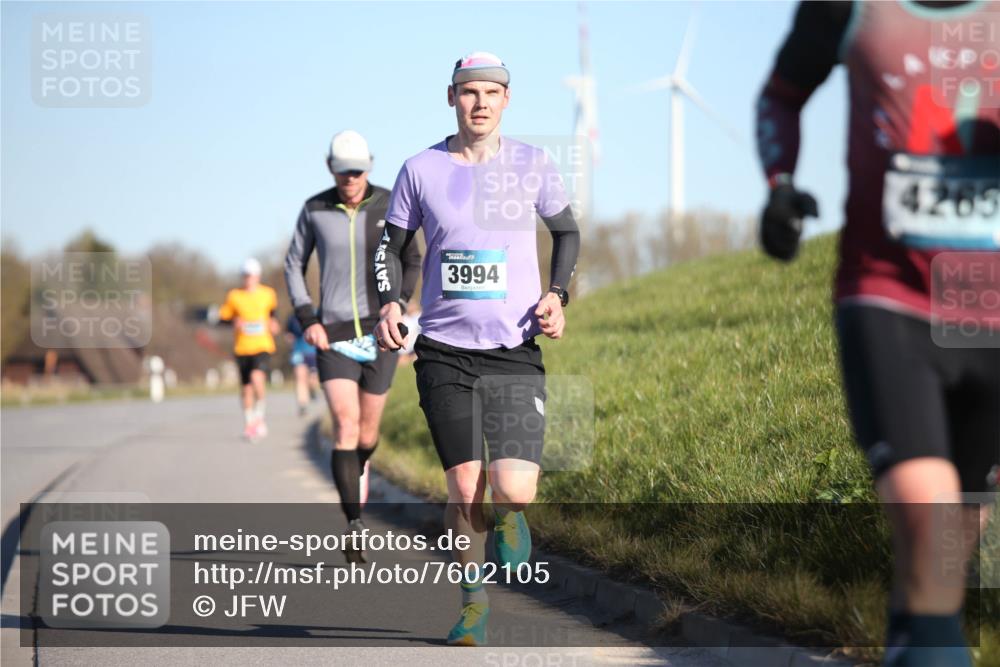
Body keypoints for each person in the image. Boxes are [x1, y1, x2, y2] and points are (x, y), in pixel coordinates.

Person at [757, 3, 999, 665]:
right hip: (886, 295)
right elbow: (781, 96)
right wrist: (780, 186)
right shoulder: (846, 7)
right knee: (929, 519)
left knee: (949, 553)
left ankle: (912, 636)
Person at [374, 52, 581, 646]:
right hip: (442, 351)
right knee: (464, 489)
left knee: (513, 488)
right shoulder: (421, 169)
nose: (481, 102)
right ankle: (472, 603)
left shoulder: (532, 164)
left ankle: (513, 515)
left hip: (514, 346)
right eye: (470, 93)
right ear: (451, 97)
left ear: (507, 100)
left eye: (492, 92)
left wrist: (557, 293)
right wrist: (393, 302)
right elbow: (389, 248)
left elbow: (566, 231)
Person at [285, 130, 421, 562]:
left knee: (367, 432)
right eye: (343, 171)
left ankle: (356, 468)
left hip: (382, 335)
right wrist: (308, 318)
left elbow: (412, 257)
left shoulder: (389, 204)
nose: (351, 178)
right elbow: (293, 265)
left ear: (370, 166)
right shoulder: (315, 209)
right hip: (335, 335)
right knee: (344, 424)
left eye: (358, 171)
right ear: (330, 168)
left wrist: (398, 305)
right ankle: (353, 523)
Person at [218, 258, 280, 441]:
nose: (248, 279)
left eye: (251, 275)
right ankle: (249, 422)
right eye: (245, 276)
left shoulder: (268, 294)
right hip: (242, 347)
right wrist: (233, 322)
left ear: (258, 276)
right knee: (246, 389)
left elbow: (272, 316)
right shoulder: (234, 296)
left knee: (257, 379)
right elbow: (222, 319)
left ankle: (259, 418)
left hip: (263, 345)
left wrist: (273, 324)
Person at [286, 312, 319, 416]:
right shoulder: (292, 317)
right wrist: (290, 340)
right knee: (300, 378)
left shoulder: (316, 313)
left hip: (313, 352)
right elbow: (288, 334)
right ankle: (303, 406)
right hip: (298, 351)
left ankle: (312, 390)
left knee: (313, 379)